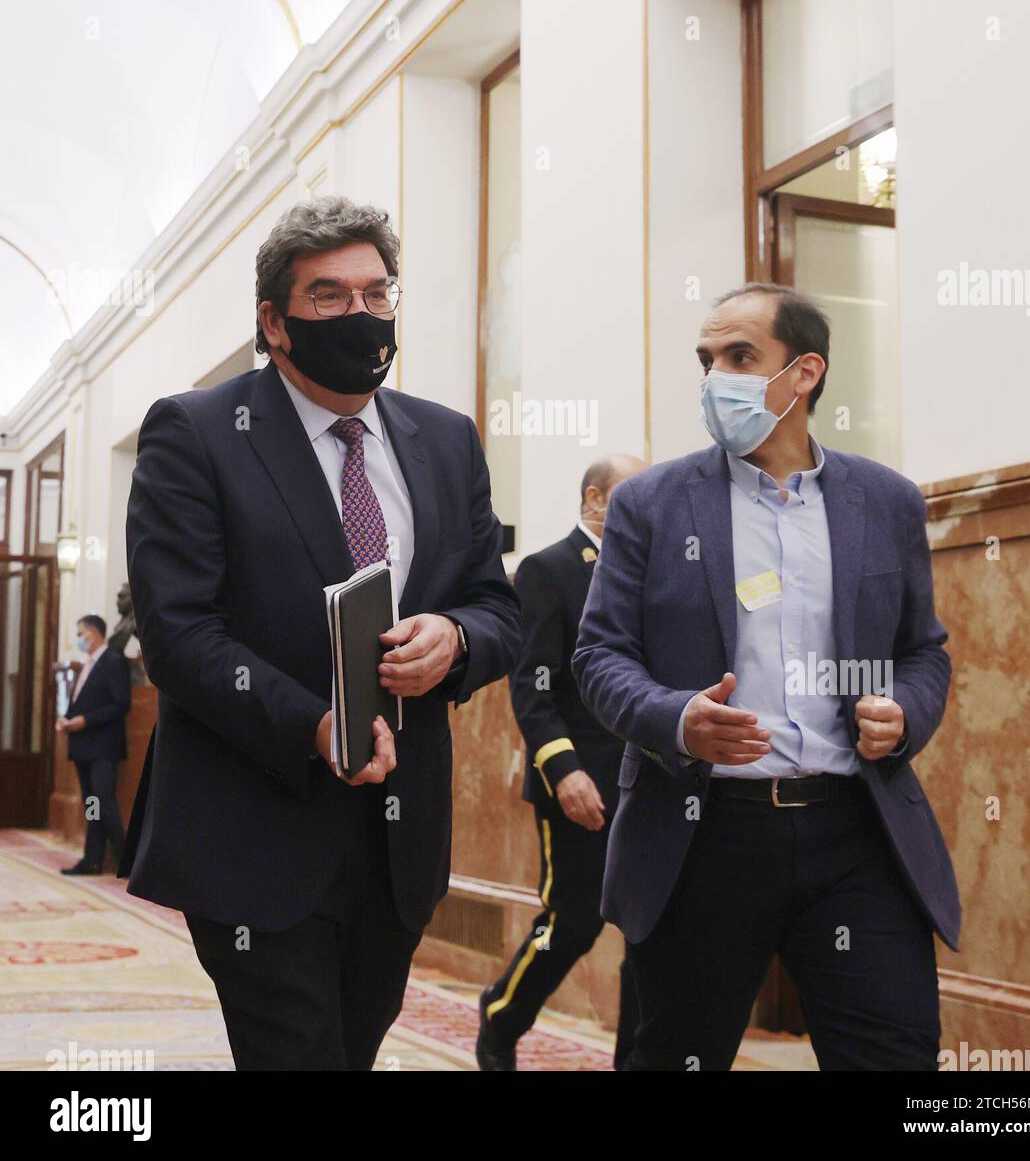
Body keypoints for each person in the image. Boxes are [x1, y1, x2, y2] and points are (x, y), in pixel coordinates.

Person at [120, 196, 521, 1071]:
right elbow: (180, 633)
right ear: (275, 320)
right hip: (253, 830)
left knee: (352, 1052)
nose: (363, 316)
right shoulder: (196, 433)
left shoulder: (447, 441)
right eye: (331, 298)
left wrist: (455, 637)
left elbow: (499, 606)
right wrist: (311, 722)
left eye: (378, 294)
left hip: (397, 839)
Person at [572, 282, 960, 1071]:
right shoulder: (651, 504)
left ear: (805, 372)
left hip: (857, 830)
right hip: (703, 832)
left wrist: (905, 714)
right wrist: (677, 717)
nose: (717, 377)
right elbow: (598, 655)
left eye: (741, 357)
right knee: (675, 1054)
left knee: (897, 1054)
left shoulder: (884, 501)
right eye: (706, 360)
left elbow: (925, 651)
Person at [477, 454, 645, 1071]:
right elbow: (532, 684)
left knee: (650, 932)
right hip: (580, 785)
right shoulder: (548, 570)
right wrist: (563, 769)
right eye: (635, 492)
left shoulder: (649, 569)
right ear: (596, 499)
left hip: (652, 784)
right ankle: (502, 1014)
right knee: (572, 924)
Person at [56, 614, 132, 876]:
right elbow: (82, 701)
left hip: (103, 746)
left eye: (80, 634)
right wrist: (66, 719)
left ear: (94, 633)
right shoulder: (86, 665)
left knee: (103, 800)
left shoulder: (113, 662)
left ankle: (127, 861)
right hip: (83, 745)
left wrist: (84, 721)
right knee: (93, 803)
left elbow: (121, 704)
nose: (78, 639)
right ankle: (93, 859)